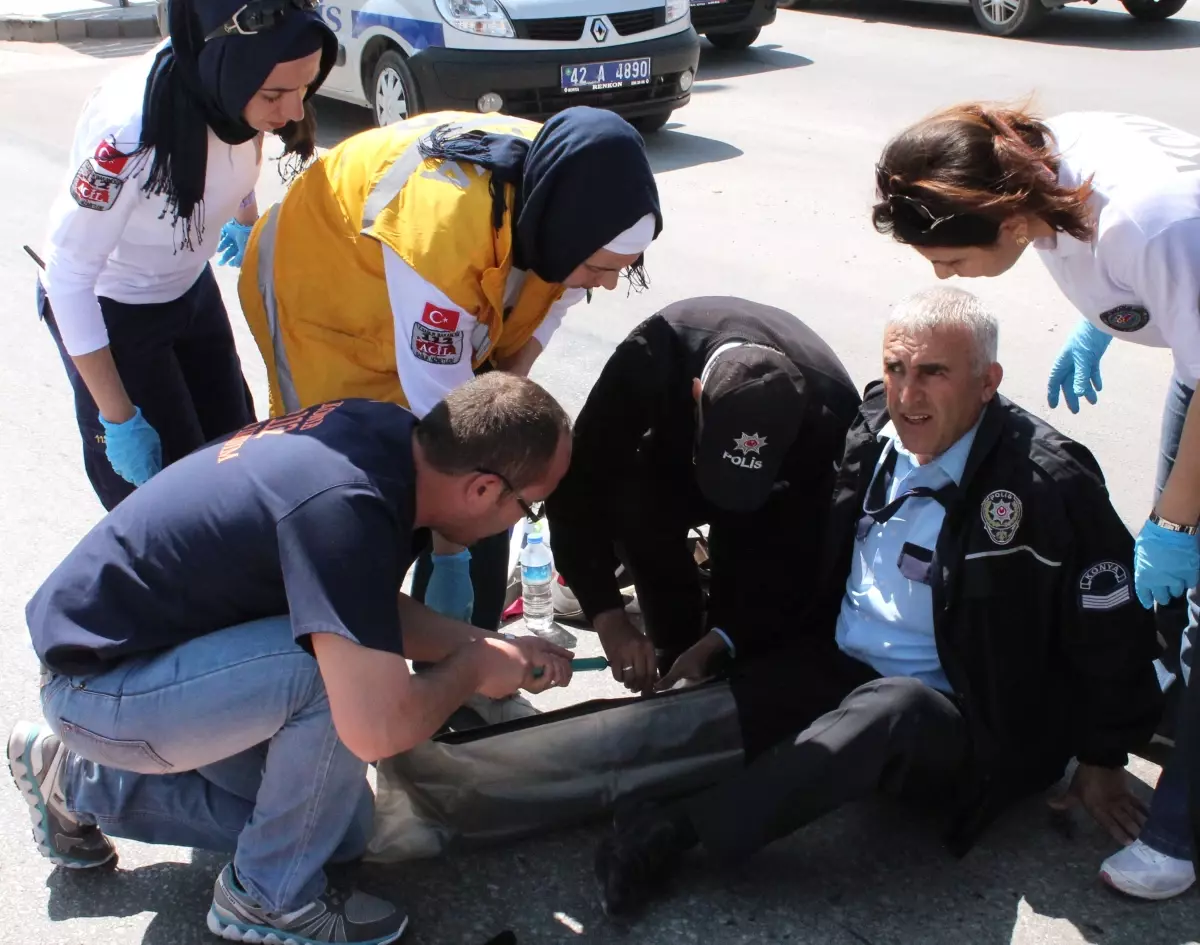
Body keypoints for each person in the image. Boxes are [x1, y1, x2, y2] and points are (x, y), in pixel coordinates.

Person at [593, 286, 1163, 917]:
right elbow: (799, 564)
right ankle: (524, 785)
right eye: (896, 368)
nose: (907, 394)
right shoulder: (867, 436)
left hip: (964, 720)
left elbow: (1112, 623)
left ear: (986, 381)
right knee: (703, 710)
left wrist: (1104, 754)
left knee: (894, 707)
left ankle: (673, 834)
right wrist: (725, 639)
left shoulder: (1049, 482)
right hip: (840, 671)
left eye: (933, 373)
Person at [7, 372, 575, 945]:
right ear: (482, 490)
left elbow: (357, 607)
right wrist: (474, 670)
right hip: (98, 682)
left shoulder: (387, 441)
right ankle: (266, 897)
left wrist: (479, 644)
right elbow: (376, 728)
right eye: (530, 508)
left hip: (159, 660)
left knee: (340, 835)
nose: (524, 521)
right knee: (330, 685)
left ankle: (79, 781)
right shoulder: (347, 506)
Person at [872, 104, 1200, 900]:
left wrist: (1177, 520)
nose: (943, 276)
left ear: (1010, 218)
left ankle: (1178, 835)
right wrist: (1113, 317)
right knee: (1176, 593)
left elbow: (1163, 250)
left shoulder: (1148, 225)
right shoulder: (1026, 156)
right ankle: (1172, 716)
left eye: (949, 258)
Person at [236, 106, 662, 660]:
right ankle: (336, 655)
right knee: (358, 483)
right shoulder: (442, 233)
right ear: (566, 237)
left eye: (619, 269)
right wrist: (451, 550)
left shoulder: (573, 190)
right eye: (600, 269)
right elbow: (448, 427)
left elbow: (550, 308)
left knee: (499, 472)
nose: (605, 285)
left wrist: (505, 399)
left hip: (422, 298)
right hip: (320, 290)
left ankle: (464, 660)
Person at [35, 0, 336, 512]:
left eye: (305, 90)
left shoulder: (226, 91)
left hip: (188, 289)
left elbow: (239, 150)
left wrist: (244, 217)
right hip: (115, 312)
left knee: (237, 462)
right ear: (225, 71)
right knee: (168, 506)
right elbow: (67, 277)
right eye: (276, 95)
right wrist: (118, 418)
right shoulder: (131, 136)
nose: (292, 113)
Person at [545, 297, 861, 693]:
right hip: (671, 464)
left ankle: (709, 659)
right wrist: (607, 616)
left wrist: (727, 637)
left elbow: (807, 553)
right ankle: (671, 646)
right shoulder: (652, 356)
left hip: (772, 497)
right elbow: (579, 484)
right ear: (696, 395)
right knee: (639, 510)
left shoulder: (832, 414)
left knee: (748, 589)